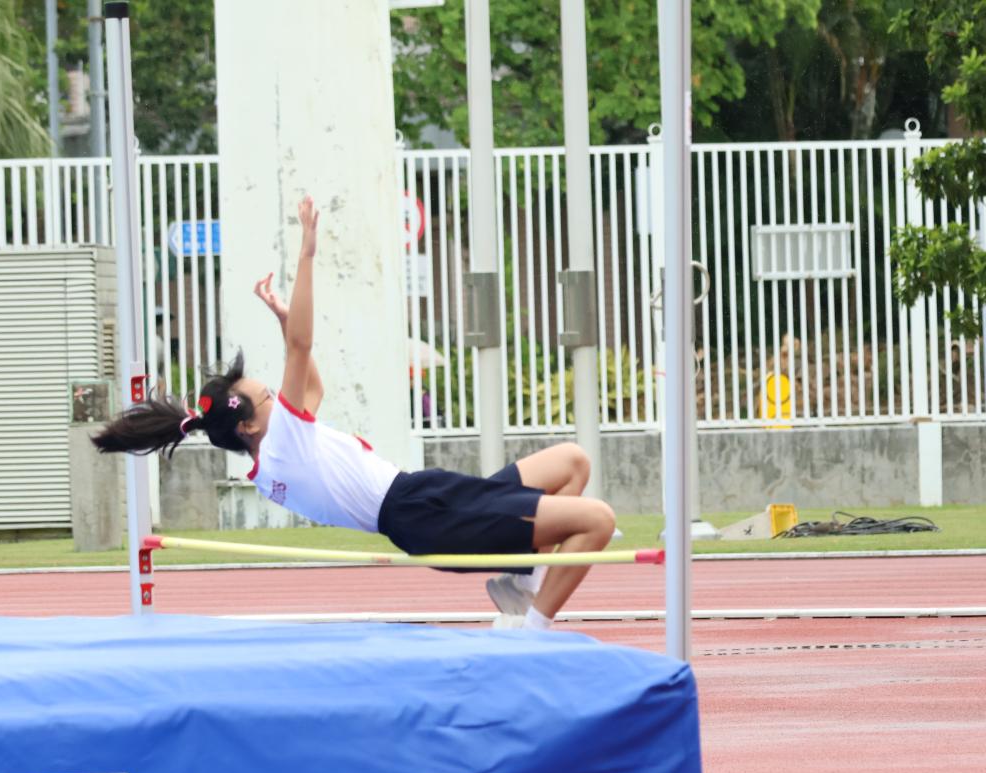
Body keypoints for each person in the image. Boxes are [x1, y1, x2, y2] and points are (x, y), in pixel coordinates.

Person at [93, 196, 615, 630]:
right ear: (249, 425)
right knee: (598, 522)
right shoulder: (282, 447)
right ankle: (533, 633)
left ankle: (522, 582)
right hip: (426, 514)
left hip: (426, 497)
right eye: (269, 395)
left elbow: (311, 382)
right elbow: (302, 348)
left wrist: (282, 320)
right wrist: (306, 254)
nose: (279, 393)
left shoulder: (276, 453)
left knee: (572, 462)